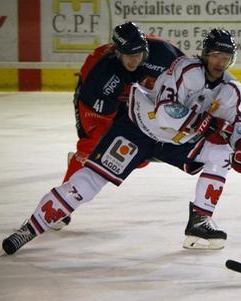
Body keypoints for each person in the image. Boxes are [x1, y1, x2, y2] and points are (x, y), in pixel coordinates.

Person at [2, 28, 241, 254]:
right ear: (205, 54)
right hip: (138, 128)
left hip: (174, 142)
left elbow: (238, 124)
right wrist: (207, 123)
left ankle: (199, 223)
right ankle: (31, 227)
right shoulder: (186, 70)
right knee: (91, 181)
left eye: (225, 57)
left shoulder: (232, 90)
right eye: (216, 55)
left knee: (221, 154)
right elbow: (165, 112)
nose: (219, 62)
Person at [53, 21, 185, 230]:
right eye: (129, 55)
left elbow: (189, 78)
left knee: (138, 158)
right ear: (117, 53)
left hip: (136, 97)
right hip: (95, 104)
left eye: (138, 54)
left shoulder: (164, 53)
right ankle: (62, 202)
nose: (135, 60)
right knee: (97, 145)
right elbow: (105, 122)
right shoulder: (102, 75)